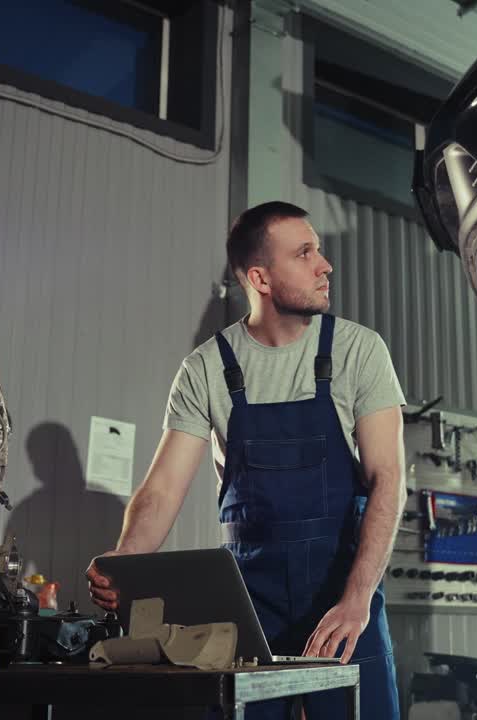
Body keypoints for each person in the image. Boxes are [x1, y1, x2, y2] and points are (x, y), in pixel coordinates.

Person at [86, 201, 405, 719]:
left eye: (318, 250)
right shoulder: (207, 369)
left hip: (343, 592)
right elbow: (163, 489)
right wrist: (126, 559)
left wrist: (357, 598)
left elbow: (387, 481)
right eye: (305, 253)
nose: (325, 265)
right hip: (248, 603)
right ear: (260, 277)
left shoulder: (359, 352)